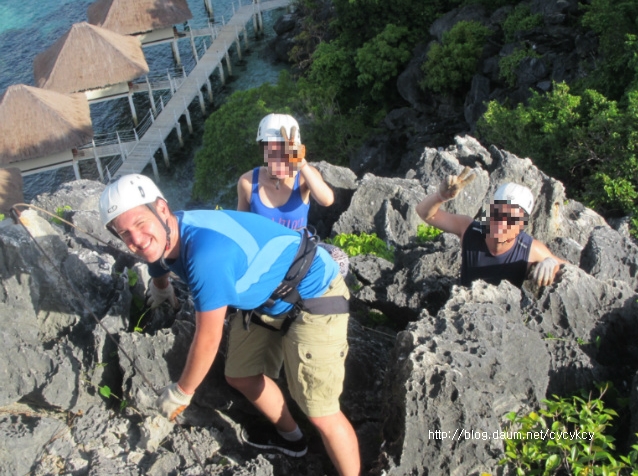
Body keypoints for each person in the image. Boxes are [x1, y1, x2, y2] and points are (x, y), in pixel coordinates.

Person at [99, 174, 361, 476]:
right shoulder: (169, 231)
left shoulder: (206, 255)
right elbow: (155, 255)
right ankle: (292, 438)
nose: (136, 240)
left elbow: (208, 338)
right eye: (125, 234)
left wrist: (182, 392)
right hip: (267, 295)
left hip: (314, 292)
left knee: (320, 411)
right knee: (241, 375)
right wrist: (161, 288)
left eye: (140, 224)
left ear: (161, 208)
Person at [237, 113, 349, 277]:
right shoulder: (248, 182)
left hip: (301, 251)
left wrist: (302, 164)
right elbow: (240, 226)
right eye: (274, 153)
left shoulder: (303, 177)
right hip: (265, 255)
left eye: (286, 154)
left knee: (339, 259)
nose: (280, 161)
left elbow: (327, 200)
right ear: (264, 152)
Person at [416, 167, 566, 288]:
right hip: (462, 309)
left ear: (521, 225)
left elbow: (568, 270)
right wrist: (441, 197)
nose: (502, 222)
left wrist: (551, 263)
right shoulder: (470, 230)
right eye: (497, 213)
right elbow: (425, 213)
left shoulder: (529, 249)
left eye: (511, 218)